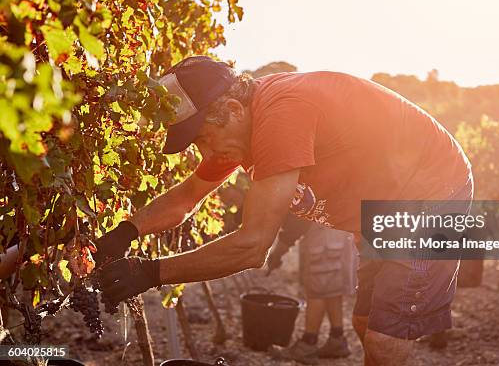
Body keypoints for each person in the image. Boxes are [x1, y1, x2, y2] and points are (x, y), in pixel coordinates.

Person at [95, 56, 473, 365]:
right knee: (365, 322)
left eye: (203, 140)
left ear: (231, 109)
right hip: (381, 210)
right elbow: (188, 195)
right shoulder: (241, 124)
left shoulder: (281, 116)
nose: (205, 155)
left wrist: (152, 272)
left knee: (386, 339)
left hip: (430, 194)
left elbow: (252, 246)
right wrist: (125, 232)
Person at [266, 215, 357, 364]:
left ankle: (308, 343)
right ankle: (337, 340)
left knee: (317, 291)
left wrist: (278, 252)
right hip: (338, 235)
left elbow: (296, 225)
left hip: (324, 238)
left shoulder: (307, 192)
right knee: (331, 288)